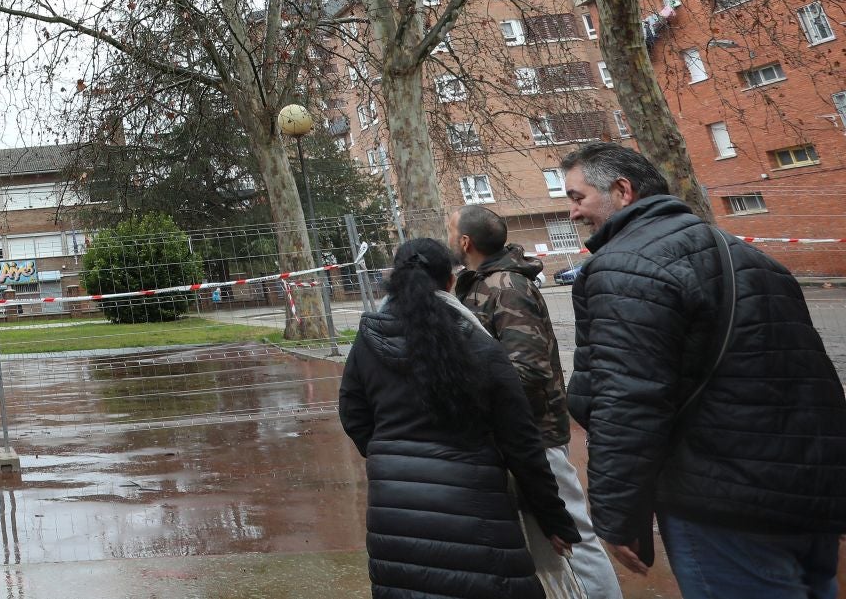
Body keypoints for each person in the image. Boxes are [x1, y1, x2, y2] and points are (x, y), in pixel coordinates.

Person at [561, 141, 846, 598]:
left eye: (577, 197)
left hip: (721, 509)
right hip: (803, 499)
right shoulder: (754, 258)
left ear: (622, 190)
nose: (573, 213)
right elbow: (816, 385)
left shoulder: (624, 266)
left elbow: (629, 400)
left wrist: (616, 516)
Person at [340, 237, 578, 598]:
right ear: (450, 282)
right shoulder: (480, 346)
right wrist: (553, 518)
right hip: (479, 512)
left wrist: (391, 455)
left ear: (394, 278)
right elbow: (522, 442)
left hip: (394, 512)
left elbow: (353, 415)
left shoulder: (367, 342)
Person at [452, 205, 622, 599]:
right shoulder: (481, 283)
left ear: (465, 242)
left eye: (450, 230)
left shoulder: (507, 286)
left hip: (535, 435)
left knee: (570, 533)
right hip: (511, 434)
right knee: (543, 540)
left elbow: (527, 371)